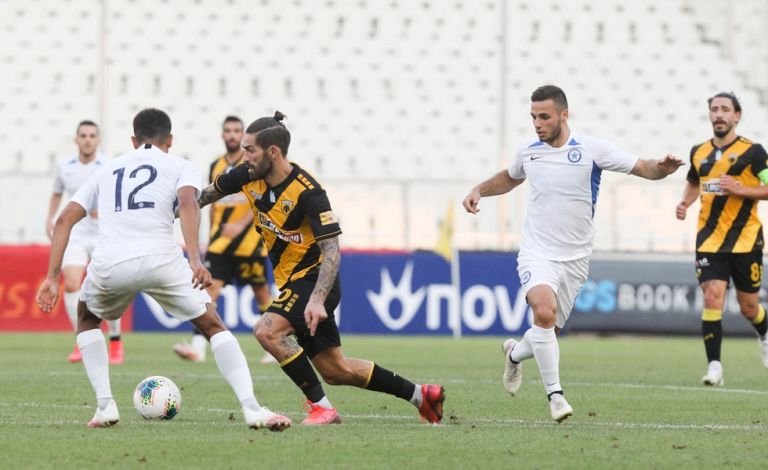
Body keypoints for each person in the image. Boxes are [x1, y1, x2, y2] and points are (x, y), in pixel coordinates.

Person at [35, 108, 291, 431]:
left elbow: (64, 220)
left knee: (87, 318)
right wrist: (195, 260)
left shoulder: (106, 169)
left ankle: (105, 406)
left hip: (111, 262)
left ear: (133, 140)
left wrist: (52, 278)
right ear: (170, 140)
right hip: (162, 259)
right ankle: (252, 408)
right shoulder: (181, 165)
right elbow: (188, 204)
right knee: (213, 326)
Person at [196, 111, 445, 425]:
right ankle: (422, 395)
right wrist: (168, 211)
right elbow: (204, 196)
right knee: (336, 370)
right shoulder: (247, 174)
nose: (243, 156)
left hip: (315, 280)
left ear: (272, 152)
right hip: (291, 282)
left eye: (250, 150)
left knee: (267, 331)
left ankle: (323, 409)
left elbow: (332, 250)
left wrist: (316, 299)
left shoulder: (308, 192)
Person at [462, 85, 683, 422]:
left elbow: (642, 167)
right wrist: (479, 190)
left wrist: (662, 169)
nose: (537, 123)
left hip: (575, 258)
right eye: (533, 117)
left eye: (544, 116)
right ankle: (556, 396)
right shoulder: (529, 152)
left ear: (564, 115)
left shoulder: (591, 149)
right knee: (544, 313)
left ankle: (514, 353)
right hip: (537, 251)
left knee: (547, 330)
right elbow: (509, 177)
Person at [675, 91, 768, 386]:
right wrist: (685, 203)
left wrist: (741, 189)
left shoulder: (753, 152)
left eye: (725, 109)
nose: (719, 114)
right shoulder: (698, 152)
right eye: (714, 109)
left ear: (736, 116)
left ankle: (764, 331)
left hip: (746, 240)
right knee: (713, 296)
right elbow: (694, 182)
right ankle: (714, 366)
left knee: (749, 307)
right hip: (709, 241)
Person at [173, 116, 276, 365]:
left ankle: (275, 346)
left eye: (236, 131)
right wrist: (210, 238)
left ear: (242, 136)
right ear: (222, 135)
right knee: (208, 292)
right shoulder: (216, 165)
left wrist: (240, 225)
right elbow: (213, 202)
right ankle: (198, 348)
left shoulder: (254, 164)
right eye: (228, 130)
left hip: (250, 244)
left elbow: (261, 199)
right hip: (220, 244)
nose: (232, 134)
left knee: (262, 293)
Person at [46, 121, 124, 364]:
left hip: (103, 234)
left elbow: (118, 195)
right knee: (71, 284)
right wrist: (50, 218)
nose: (88, 139)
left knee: (109, 286)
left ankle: (115, 340)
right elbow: (57, 193)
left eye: (92, 135)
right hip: (76, 234)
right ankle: (82, 339)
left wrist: (105, 210)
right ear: (76, 139)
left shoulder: (108, 165)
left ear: (98, 140)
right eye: (83, 135)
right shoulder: (65, 166)